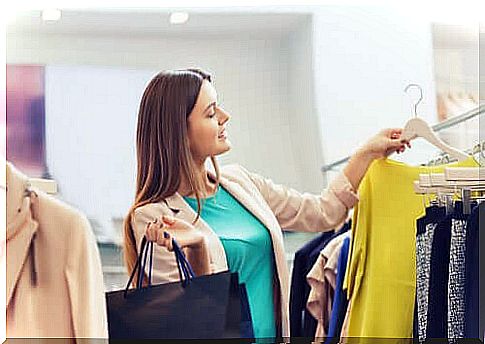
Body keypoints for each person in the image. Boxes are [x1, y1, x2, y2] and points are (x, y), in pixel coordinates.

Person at [123, 68, 410, 340]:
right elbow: (188, 319)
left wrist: (366, 154)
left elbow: (321, 212)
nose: (225, 117)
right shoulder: (152, 216)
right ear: (180, 132)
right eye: (211, 113)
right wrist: (197, 246)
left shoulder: (240, 183)